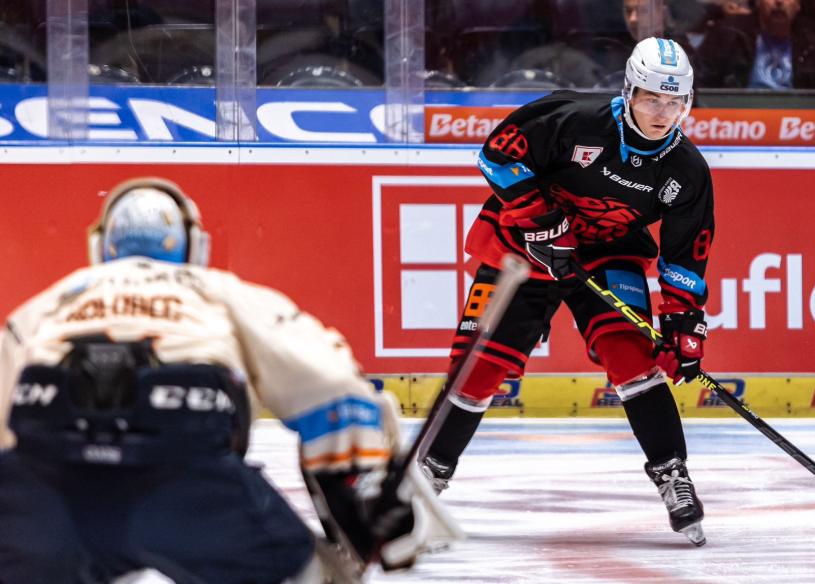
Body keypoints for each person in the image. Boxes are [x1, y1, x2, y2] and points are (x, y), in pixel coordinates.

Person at [0, 177, 460, 584]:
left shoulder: (56, 299)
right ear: (193, 246)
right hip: (188, 484)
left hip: (48, 484)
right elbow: (331, 386)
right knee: (316, 577)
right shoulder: (216, 290)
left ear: (102, 246)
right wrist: (363, 501)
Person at [421, 37, 715, 546]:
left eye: (675, 102)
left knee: (632, 357)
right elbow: (495, 155)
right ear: (629, 91)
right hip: (523, 247)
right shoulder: (572, 119)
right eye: (651, 99)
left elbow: (685, 256)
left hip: (607, 253)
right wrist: (543, 224)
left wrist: (685, 326)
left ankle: (672, 473)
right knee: (478, 365)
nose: (663, 113)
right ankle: (428, 478)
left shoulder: (686, 170)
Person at [696, 0, 815, 89]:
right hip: (737, 120)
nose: (779, 1)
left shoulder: (814, 44)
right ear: (758, 2)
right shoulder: (729, 33)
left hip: (795, 123)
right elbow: (699, 79)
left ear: (798, 5)